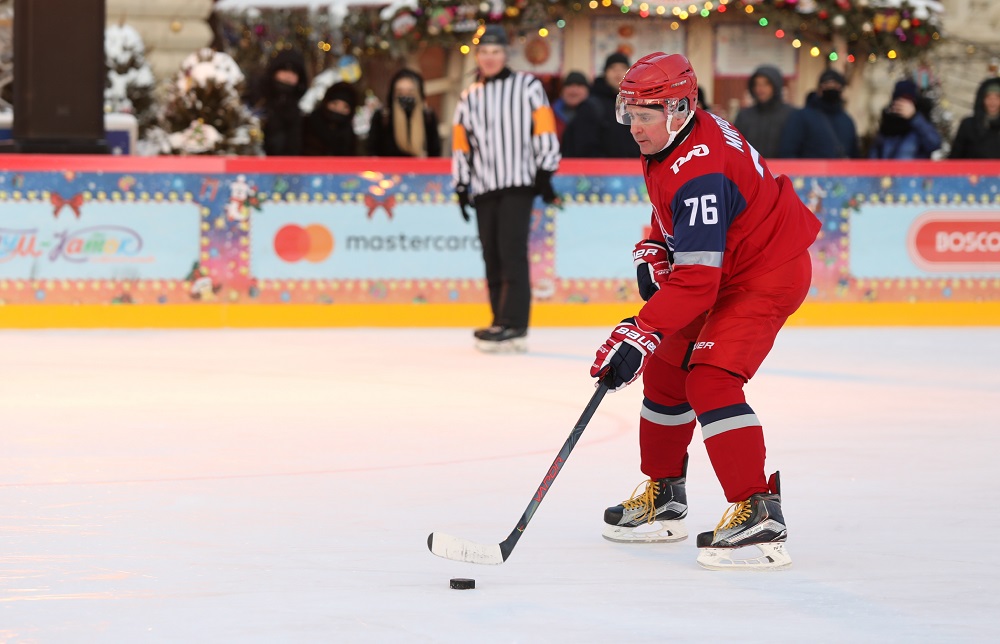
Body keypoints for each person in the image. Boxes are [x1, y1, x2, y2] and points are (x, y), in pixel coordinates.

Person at [588, 52, 820, 570]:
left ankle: (758, 512)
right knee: (668, 370)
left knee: (711, 380)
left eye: (644, 114)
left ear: (677, 107)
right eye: (629, 112)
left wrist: (637, 332)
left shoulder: (701, 168)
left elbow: (696, 279)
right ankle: (664, 495)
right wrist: (656, 241)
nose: (634, 127)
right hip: (729, 264)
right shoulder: (678, 132)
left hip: (766, 272)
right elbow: (674, 206)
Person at [452, 24, 561, 352]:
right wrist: (461, 183)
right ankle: (500, 319)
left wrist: (544, 170)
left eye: (495, 51)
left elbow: (543, 126)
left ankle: (515, 324)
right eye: (483, 52)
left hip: (519, 182)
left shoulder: (527, 86)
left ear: (505, 54)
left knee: (511, 252)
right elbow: (462, 143)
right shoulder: (469, 96)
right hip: (485, 185)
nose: (489, 57)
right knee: (491, 254)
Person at [566, 52, 640, 157]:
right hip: (600, 171)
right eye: (613, 69)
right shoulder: (591, 106)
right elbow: (584, 148)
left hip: (635, 171)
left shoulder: (639, 105)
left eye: (623, 68)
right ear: (605, 73)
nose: (618, 73)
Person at [778, 68, 859, 159]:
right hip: (807, 172)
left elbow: (854, 156)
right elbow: (788, 152)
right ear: (819, 89)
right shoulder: (801, 117)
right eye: (827, 85)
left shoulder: (847, 121)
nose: (831, 88)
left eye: (835, 85)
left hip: (840, 172)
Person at [367, 68, 442, 158]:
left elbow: (434, 153)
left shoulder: (428, 118)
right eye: (400, 92)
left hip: (419, 171)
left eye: (410, 92)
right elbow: (372, 152)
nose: (405, 96)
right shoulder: (382, 117)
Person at [868, 79, 941, 160]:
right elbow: (874, 156)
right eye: (899, 101)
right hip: (888, 171)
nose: (902, 105)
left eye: (906, 101)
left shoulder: (919, 127)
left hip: (913, 171)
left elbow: (935, 143)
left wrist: (914, 117)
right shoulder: (886, 127)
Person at [734, 64, 794, 159]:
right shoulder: (744, 116)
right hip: (751, 171)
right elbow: (735, 147)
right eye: (757, 84)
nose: (760, 89)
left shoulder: (791, 115)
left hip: (783, 171)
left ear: (776, 86)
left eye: (766, 84)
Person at [257, 50, 309, 156]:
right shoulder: (257, 100)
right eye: (285, 70)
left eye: (294, 72)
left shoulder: (298, 113)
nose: (288, 76)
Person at [302, 82, 360, 156]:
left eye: (345, 106)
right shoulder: (306, 126)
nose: (338, 109)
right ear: (326, 103)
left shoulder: (349, 136)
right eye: (335, 103)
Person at [949, 77, 1000, 159]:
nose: (992, 102)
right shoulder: (968, 125)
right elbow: (955, 157)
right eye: (989, 97)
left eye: (997, 98)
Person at [554, 71, 590, 143]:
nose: (574, 90)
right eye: (569, 85)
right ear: (562, 91)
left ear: (588, 91)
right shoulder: (549, 114)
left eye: (579, 85)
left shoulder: (597, 115)